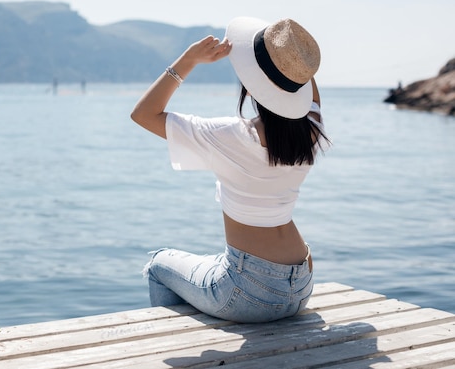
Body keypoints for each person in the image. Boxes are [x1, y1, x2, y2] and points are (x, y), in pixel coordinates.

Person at [130, 17, 329, 323]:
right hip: (301, 284)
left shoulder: (229, 136)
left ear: (250, 89)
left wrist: (188, 60)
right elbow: (306, 85)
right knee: (209, 262)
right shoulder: (312, 131)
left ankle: (171, 344)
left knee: (158, 264)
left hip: (246, 292)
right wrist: (291, 56)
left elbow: (143, 114)